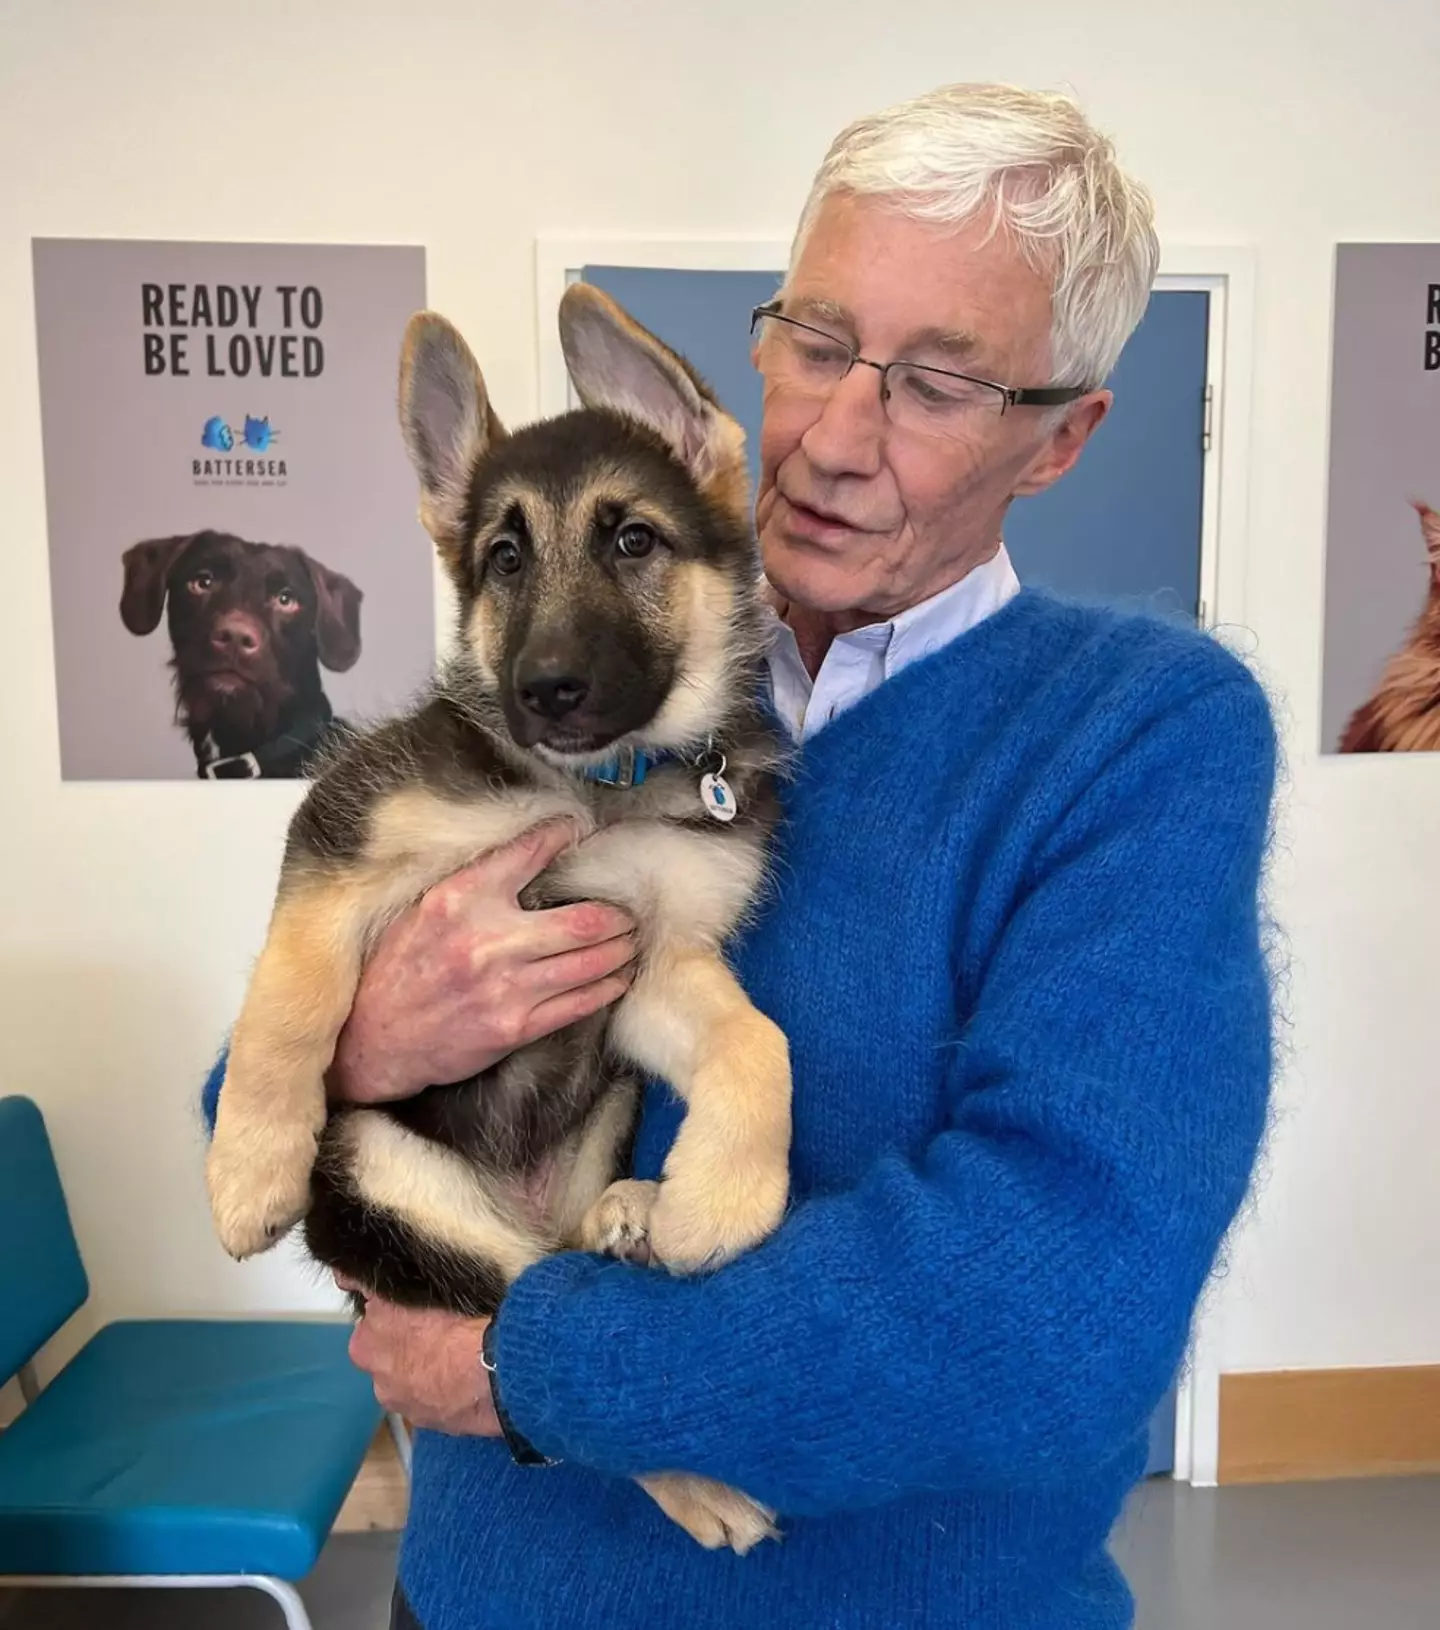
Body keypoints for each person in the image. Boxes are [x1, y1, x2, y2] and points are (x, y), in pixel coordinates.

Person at [204, 82, 1277, 1630]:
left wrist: (526, 1361)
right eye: (821, 343)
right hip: (482, 1592)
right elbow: (238, 1108)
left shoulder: (1142, 734)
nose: (837, 437)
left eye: (936, 385)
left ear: (1058, 439)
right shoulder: (571, 713)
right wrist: (370, 1031)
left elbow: (1054, 1313)